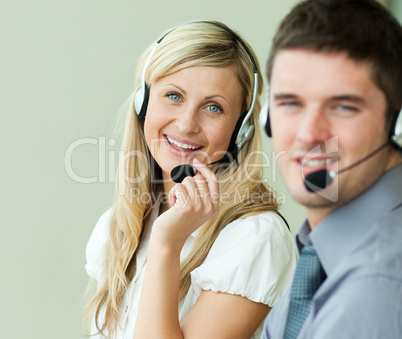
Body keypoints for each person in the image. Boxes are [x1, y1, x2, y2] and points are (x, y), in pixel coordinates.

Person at [84, 21, 298, 339]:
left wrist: (167, 245)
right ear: (143, 102)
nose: (186, 124)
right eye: (173, 96)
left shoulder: (255, 238)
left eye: (213, 107)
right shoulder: (119, 224)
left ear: (242, 129)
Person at [260, 0, 402, 338]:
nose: (309, 134)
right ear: (267, 116)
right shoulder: (320, 254)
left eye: (342, 106)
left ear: (396, 123)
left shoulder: (373, 292)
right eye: (290, 103)